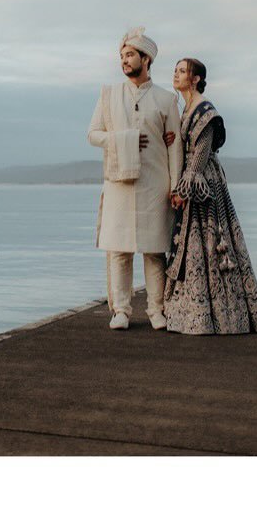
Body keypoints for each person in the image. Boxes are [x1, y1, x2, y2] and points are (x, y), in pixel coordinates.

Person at [164, 57, 257, 335]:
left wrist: (184, 190)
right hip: (192, 178)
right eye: (175, 70)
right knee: (194, 244)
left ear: (196, 78)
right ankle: (192, 312)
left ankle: (220, 316)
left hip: (203, 183)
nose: (176, 75)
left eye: (183, 71)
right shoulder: (185, 109)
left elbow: (200, 153)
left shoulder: (205, 110)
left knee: (210, 242)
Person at [87, 27, 183, 330]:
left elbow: (175, 147)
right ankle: (122, 311)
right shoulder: (108, 94)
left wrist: (176, 184)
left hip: (155, 184)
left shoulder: (166, 100)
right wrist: (123, 138)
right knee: (119, 250)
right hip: (119, 183)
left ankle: (157, 310)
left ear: (146, 58)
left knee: (155, 250)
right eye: (122, 56)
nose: (124, 61)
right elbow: (93, 134)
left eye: (130, 55)